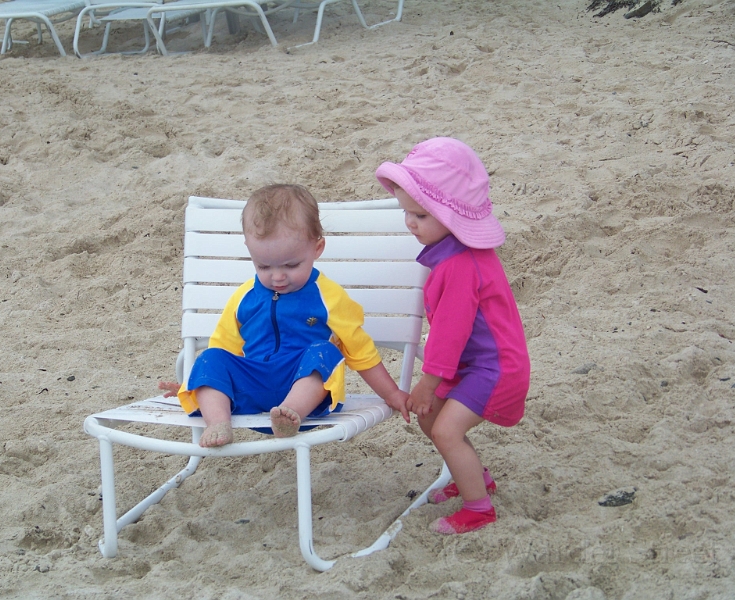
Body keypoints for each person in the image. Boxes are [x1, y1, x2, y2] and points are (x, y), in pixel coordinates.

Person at [159, 184, 410, 448]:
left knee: (325, 352)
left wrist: (391, 393)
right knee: (211, 357)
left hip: (304, 386)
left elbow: (360, 351)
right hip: (251, 384)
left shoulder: (329, 298)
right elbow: (225, 350)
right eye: (264, 266)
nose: (277, 277)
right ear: (249, 250)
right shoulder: (244, 297)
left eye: (291, 265)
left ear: (317, 248)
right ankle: (218, 421)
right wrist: (199, 385)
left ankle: (290, 413)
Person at [375, 138, 530, 535]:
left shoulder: (460, 266)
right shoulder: (452, 254)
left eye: (420, 215)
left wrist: (427, 384)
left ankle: (479, 509)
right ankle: (475, 478)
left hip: (494, 368)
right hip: (472, 363)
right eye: (406, 213)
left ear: (453, 217)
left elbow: (449, 333)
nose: (410, 223)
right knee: (432, 420)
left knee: (446, 430)